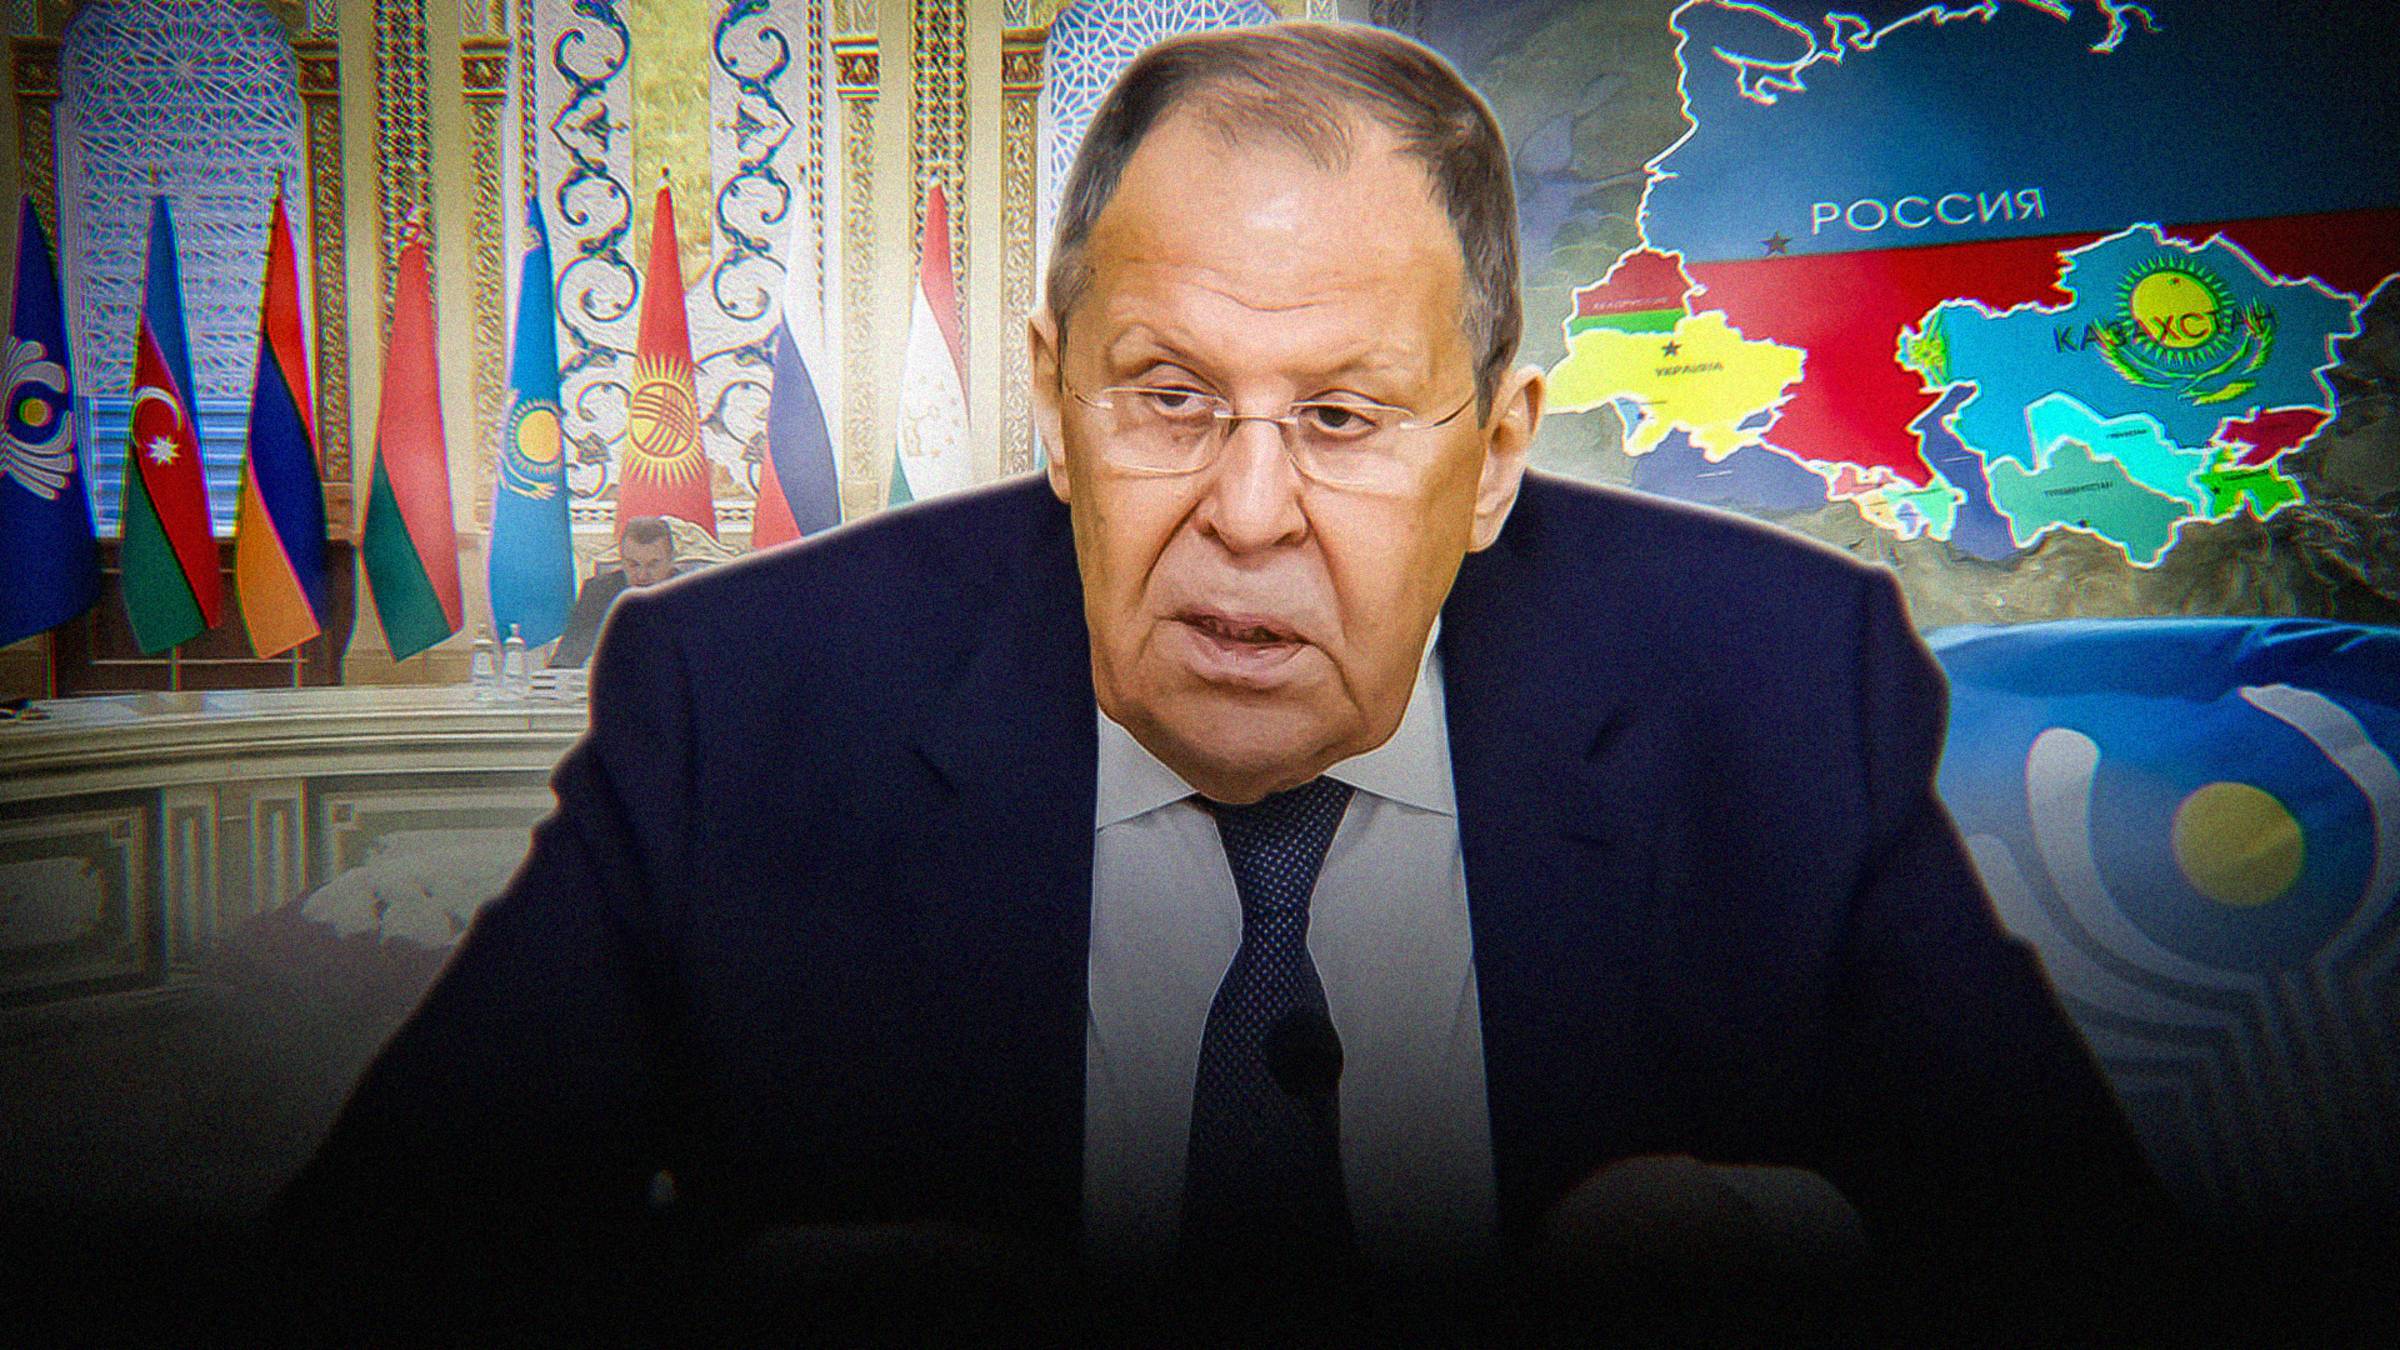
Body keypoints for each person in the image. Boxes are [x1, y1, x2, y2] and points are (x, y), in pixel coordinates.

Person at [277, 22, 2168, 1343]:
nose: (1246, 515)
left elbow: (2099, 1267)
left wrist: (1791, 1246)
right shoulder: (735, 706)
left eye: (1344, 418)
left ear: (1497, 453)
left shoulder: (1782, 690)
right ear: (1054, 398)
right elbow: (364, 1271)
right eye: (1170, 397)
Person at [548, 514, 680, 668]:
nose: (642, 575)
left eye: (653, 564)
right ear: (621, 560)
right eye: (633, 564)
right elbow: (566, 659)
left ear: (671, 560)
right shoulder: (598, 592)